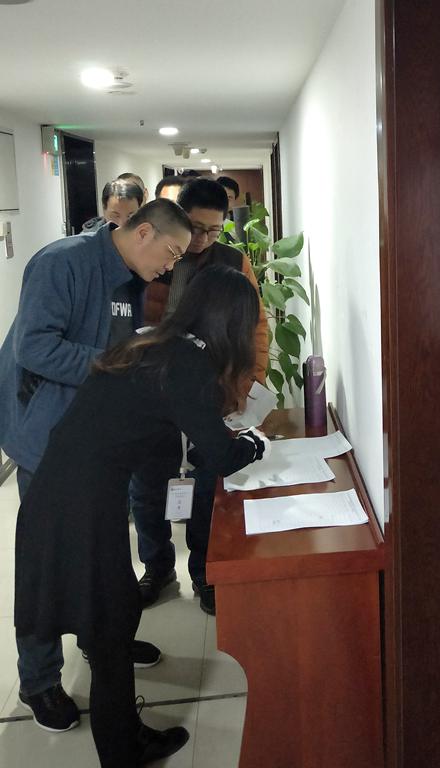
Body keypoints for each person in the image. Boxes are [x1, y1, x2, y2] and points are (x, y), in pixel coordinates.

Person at [14, 265, 268, 767]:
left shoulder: (153, 342)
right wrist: (255, 445)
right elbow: (219, 456)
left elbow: (162, 430)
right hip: (81, 506)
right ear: (231, 322)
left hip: (66, 491)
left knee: (114, 616)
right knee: (110, 632)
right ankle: (124, 751)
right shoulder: (188, 363)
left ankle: (126, 738)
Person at [0, 198, 192, 733]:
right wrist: (119, 364)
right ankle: (39, 680)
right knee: (47, 564)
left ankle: (104, 641)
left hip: (98, 439)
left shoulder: (130, 278)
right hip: (47, 438)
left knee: (104, 552)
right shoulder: (62, 262)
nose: (170, 267)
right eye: (171, 252)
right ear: (143, 232)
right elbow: (35, 348)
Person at [134, 178, 269, 614]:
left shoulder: (232, 261)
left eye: (214, 230)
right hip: (152, 396)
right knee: (149, 489)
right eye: (196, 228)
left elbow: (255, 326)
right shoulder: (153, 255)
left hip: (208, 395)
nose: (203, 239)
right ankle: (157, 568)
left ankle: (205, 574)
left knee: (203, 490)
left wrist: (248, 384)